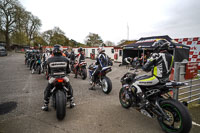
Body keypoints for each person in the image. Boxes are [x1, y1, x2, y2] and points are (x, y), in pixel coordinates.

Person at [134, 39, 174, 105]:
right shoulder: (171, 56)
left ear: (159, 46)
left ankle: (144, 101)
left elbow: (145, 68)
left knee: (135, 82)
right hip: (166, 79)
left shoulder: (156, 55)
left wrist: (146, 67)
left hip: (156, 79)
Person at [41, 44, 75, 111]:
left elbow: (47, 70)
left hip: (53, 78)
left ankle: (45, 104)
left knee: (47, 90)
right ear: (61, 51)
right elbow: (69, 70)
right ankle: (71, 102)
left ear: (53, 51)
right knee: (69, 87)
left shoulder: (49, 59)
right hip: (64, 77)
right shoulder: (66, 59)